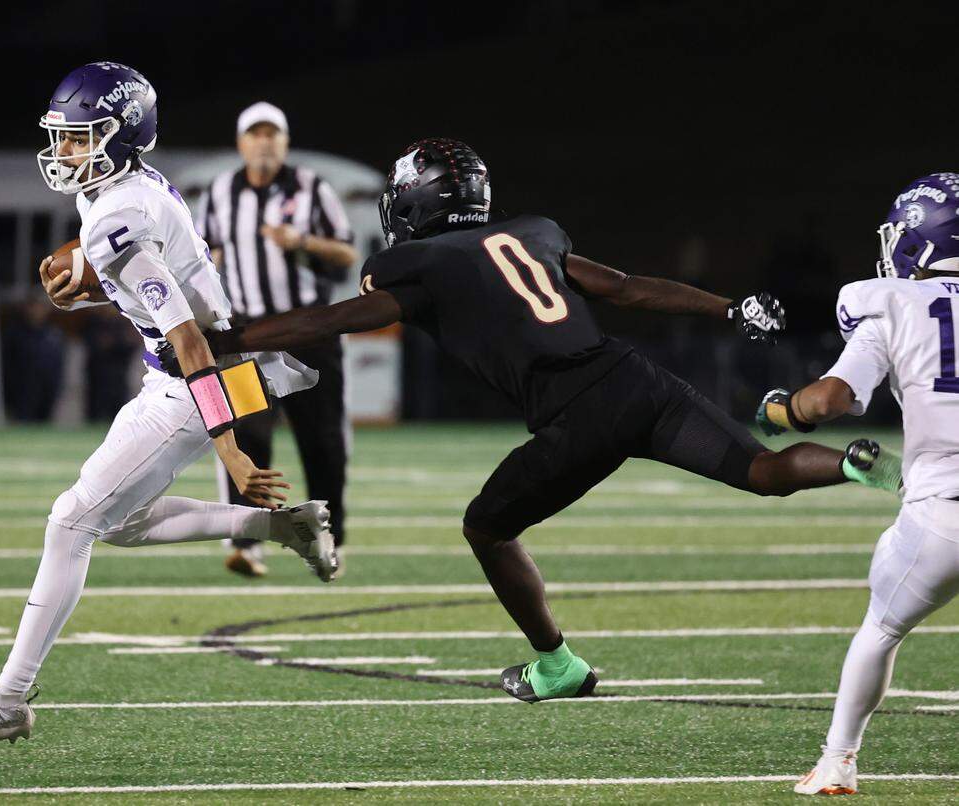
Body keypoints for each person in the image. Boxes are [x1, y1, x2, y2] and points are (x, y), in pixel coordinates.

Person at [207, 137, 899, 706]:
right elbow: (626, 288)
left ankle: (556, 664)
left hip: (576, 415)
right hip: (635, 379)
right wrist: (727, 308)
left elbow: (331, 319)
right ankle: (851, 462)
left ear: (417, 202)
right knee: (762, 471)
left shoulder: (417, 267)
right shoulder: (532, 234)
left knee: (487, 526)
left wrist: (235, 334)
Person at [0, 62, 338, 761]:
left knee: (71, 520)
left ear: (121, 137)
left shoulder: (117, 215)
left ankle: (6, 702)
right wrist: (94, 291)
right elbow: (166, 300)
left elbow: (188, 337)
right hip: (186, 376)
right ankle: (279, 527)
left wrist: (230, 449)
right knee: (117, 522)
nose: (65, 153)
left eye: (81, 139)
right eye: (63, 138)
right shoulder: (120, 193)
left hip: (192, 383)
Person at [764, 173, 959, 796]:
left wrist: (779, 410)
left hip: (944, 519)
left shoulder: (892, 304)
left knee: (881, 626)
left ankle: (838, 762)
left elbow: (828, 401)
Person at [196, 102, 358, 577]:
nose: (264, 142)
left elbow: (347, 253)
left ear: (284, 142)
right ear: (242, 143)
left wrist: (302, 242)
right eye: (255, 134)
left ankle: (332, 539)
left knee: (322, 441)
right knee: (247, 434)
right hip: (251, 336)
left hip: (309, 333)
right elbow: (209, 255)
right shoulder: (222, 191)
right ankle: (247, 542)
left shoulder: (313, 188)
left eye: (273, 134)